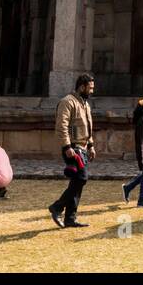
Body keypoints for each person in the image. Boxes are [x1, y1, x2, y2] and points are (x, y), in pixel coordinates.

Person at [49, 74, 96, 228]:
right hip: (73, 148)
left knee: (77, 182)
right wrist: (67, 147)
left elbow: (88, 127)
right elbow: (61, 125)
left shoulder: (85, 104)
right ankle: (57, 207)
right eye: (90, 88)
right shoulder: (67, 102)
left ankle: (70, 218)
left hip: (82, 147)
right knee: (81, 178)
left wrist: (90, 145)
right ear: (81, 86)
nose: (92, 91)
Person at [122, 97, 143, 208]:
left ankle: (127, 188)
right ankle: (141, 200)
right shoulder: (142, 122)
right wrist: (141, 159)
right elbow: (140, 143)